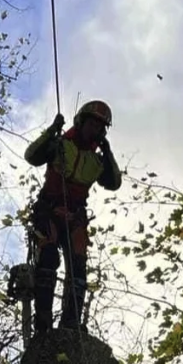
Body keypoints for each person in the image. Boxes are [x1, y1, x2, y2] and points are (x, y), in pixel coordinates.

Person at [23, 99, 122, 334]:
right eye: (91, 124)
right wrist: (52, 131)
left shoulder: (96, 161)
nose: (94, 130)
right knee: (47, 259)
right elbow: (32, 156)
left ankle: (71, 322)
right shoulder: (60, 144)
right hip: (49, 210)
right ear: (81, 121)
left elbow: (114, 182)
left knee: (78, 269)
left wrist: (107, 153)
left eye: (100, 127)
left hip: (75, 217)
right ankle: (43, 320)